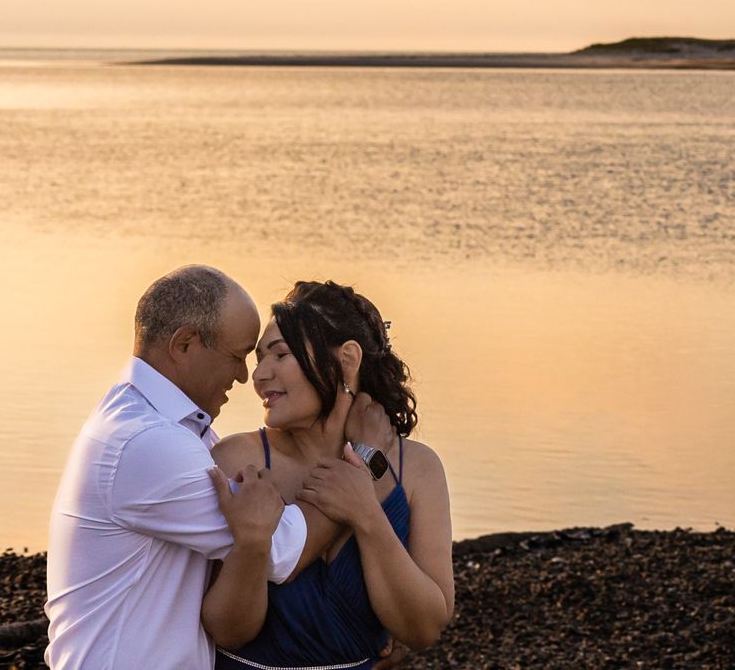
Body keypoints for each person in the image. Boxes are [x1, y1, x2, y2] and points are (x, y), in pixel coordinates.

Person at [45, 265, 389, 669]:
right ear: (185, 344)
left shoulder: (169, 428)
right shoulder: (148, 444)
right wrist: (365, 461)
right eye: (239, 356)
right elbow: (283, 550)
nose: (246, 376)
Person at [204, 280, 454, 670]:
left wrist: (368, 517)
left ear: (347, 361)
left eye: (280, 355)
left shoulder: (417, 469)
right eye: (258, 360)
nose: (258, 376)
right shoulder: (238, 459)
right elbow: (228, 632)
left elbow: (423, 629)